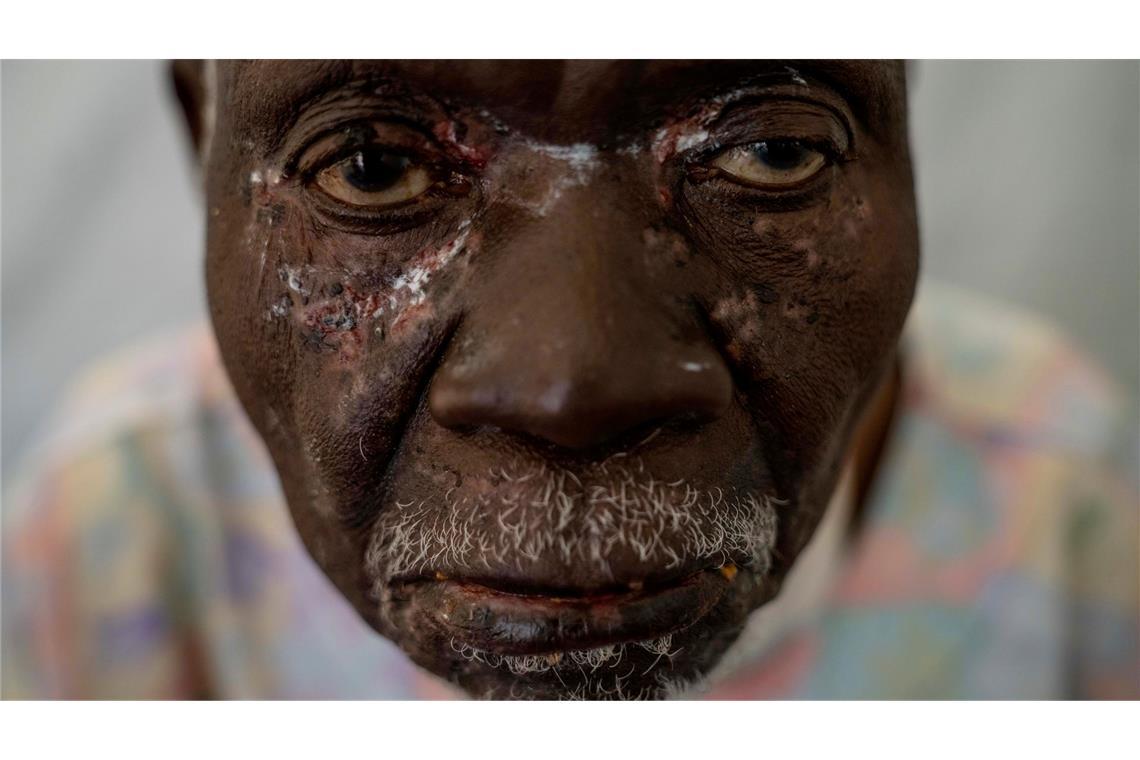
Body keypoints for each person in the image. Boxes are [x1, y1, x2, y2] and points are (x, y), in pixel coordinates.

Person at [3, 60, 1136, 699]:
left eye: (770, 152)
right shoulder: (116, 529)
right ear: (206, 130)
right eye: (373, 166)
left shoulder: (1061, 497)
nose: (572, 385)